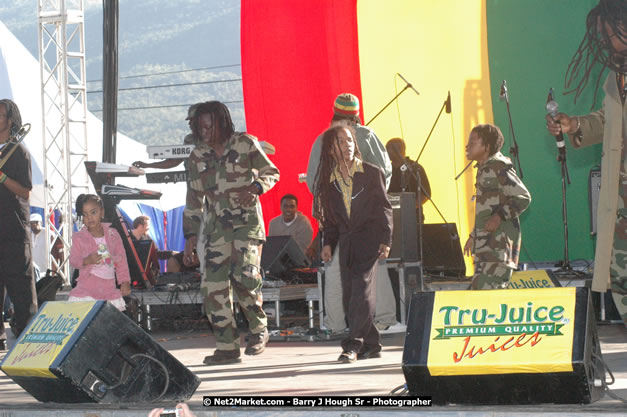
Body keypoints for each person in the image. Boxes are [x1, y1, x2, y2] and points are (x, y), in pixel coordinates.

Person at [545, 0, 626, 325]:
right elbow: (610, 120)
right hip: (620, 198)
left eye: (611, 34)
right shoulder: (618, 76)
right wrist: (574, 124)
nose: (605, 41)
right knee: (619, 274)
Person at [182, 101, 279, 365]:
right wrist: (190, 237)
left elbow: (272, 171)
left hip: (246, 224)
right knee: (212, 286)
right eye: (200, 127)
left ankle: (259, 330)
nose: (204, 131)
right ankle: (227, 346)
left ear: (222, 122)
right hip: (216, 229)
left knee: (244, 277)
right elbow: (193, 200)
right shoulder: (197, 157)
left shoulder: (245, 143)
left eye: (209, 126)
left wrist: (256, 187)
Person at [306, 93, 399, 334]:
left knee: (336, 269)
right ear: (357, 115)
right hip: (365, 216)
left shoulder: (322, 140)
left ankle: (336, 325)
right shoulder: (367, 136)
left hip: (336, 217)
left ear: (334, 113)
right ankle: (384, 320)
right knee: (374, 267)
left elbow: (313, 181)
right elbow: (384, 173)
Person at [314, 125, 393, 362]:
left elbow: (384, 208)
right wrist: (328, 244)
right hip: (346, 242)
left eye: (349, 140)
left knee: (360, 290)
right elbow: (330, 219)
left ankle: (353, 345)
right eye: (340, 141)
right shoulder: (328, 181)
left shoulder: (371, 171)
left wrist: (385, 239)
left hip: (369, 240)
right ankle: (372, 343)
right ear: (330, 149)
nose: (347, 145)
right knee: (351, 295)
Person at [463, 124, 531, 290]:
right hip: (487, 249)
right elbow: (487, 208)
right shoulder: (484, 169)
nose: (467, 146)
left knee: (487, 299)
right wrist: (474, 236)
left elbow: (523, 197)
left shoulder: (498, 167)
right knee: (481, 296)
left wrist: (499, 216)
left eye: (473, 142)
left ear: (486, 147)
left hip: (498, 250)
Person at [0, 98, 37, 351]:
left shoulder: (19, 151)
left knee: (21, 288)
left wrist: (2, 176)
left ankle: (26, 335)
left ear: (10, 119)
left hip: (13, 230)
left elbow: (25, 192)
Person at [68, 194, 131, 311]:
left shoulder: (113, 234)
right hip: (87, 288)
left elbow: (122, 259)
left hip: (109, 288)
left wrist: (124, 281)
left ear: (102, 212)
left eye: (93, 212)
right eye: (85, 214)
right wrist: (87, 260)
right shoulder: (79, 237)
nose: (89, 217)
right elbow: (73, 260)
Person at [133, 103, 199, 170]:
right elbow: (174, 161)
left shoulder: (208, 141)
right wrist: (146, 165)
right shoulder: (190, 140)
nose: (189, 123)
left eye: (192, 120)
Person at [385, 138, 431, 214]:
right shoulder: (385, 170)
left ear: (398, 150)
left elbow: (425, 194)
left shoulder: (415, 168)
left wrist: (408, 207)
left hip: (412, 218)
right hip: (390, 218)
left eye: (388, 149)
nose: (385, 152)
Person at [30, 212, 47, 279]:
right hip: (34, 271)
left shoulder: (48, 234)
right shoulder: (29, 236)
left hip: (45, 271)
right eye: (31, 223)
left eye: (36, 222)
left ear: (41, 223)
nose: (34, 224)